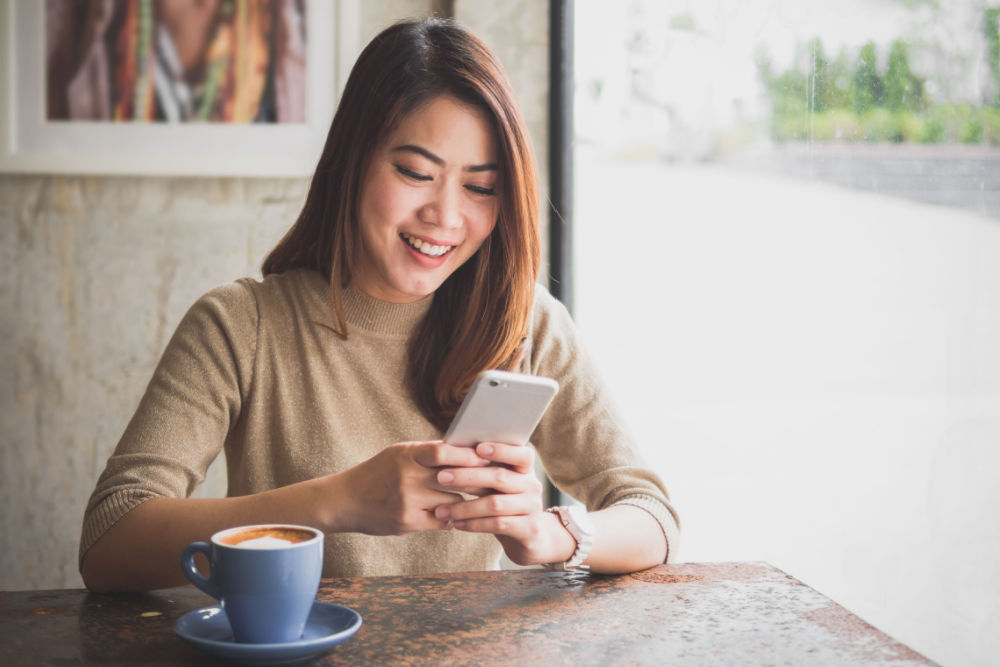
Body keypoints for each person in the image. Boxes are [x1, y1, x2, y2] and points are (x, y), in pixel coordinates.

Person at [80, 17, 679, 592]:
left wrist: (550, 533)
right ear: (353, 161)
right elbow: (109, 541)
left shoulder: (524, 321)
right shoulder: (242, 325)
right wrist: (339, 502)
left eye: (480, 187)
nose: (445, 217)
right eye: (416, 172)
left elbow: (652, 518)